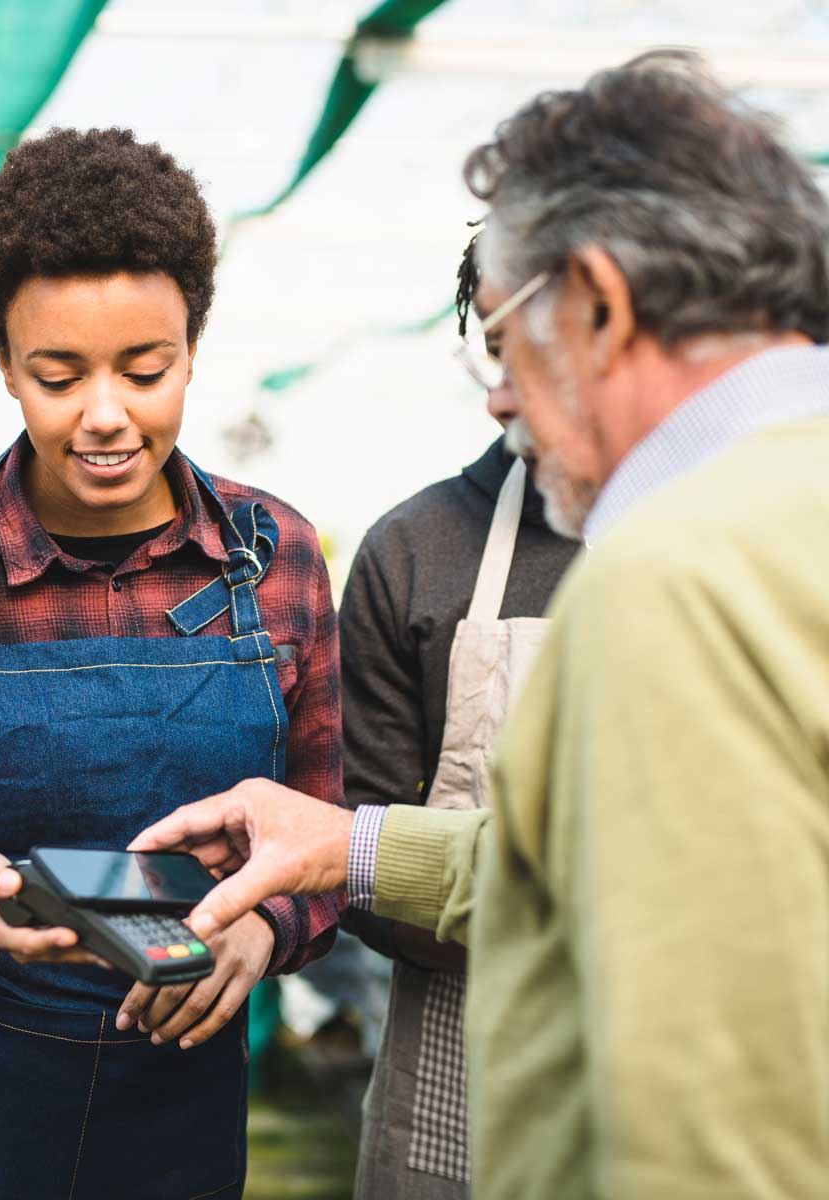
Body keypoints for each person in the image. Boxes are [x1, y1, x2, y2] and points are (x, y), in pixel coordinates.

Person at [132, 53, 829, 1199]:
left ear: (600, 303)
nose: (497, 398)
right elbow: (625, 874)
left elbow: (707, 1123)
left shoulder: (674, 573)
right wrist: (346, 844)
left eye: (503, 344)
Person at [0, 127, 342, 1200]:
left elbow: (330, 835)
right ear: (5, 365)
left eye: (145, 370)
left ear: (192, 348)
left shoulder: (277, 557)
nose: (106, 414)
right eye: (59, 376)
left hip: (175, 1120)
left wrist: (264, 932)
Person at [341, 235, 578, 1199]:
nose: (502, 392)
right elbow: (362, 849)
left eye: (538, 349)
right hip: (460, 1058)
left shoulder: (729, 549)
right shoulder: (416, 552)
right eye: (494, 349)